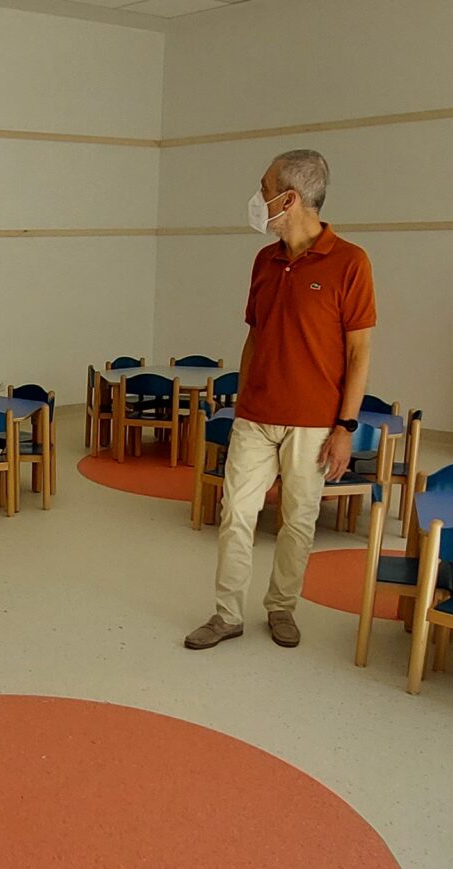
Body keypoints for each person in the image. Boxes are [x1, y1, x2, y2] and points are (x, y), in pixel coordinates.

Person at [187, 149, 376, 650]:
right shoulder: (264, 261)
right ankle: (227, 614)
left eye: (264, 187)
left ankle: (282, 608)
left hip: (314, 425)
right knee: (236, 515)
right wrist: (240, 401)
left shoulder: (351, 262)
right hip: (255, 417)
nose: (258, 198)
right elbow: (255, 335)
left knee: (298, 523)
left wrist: (346, 427)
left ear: (288, 198)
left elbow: (359, 354)